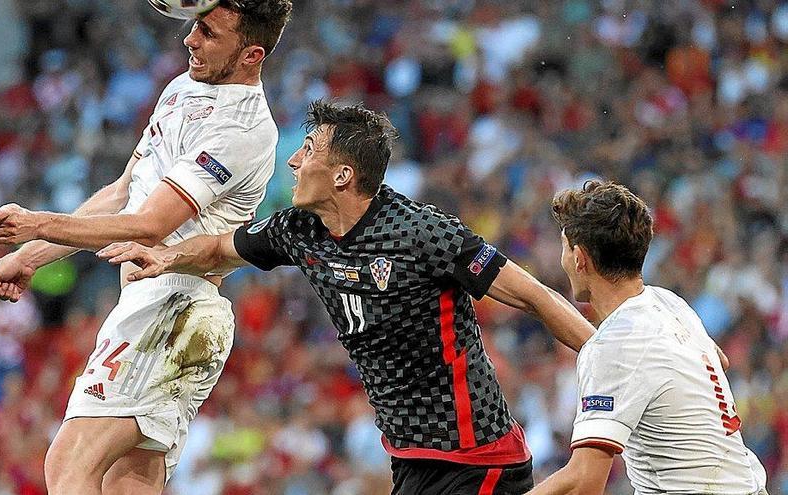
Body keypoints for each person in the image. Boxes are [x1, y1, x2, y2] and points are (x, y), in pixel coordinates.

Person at [97, 101, 596, 495]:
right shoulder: (300, 229)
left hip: (478, 458)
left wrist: (609, 358)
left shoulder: (422, 233)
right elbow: (218, 245)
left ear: (342, 175)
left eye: (308, 149)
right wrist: (165, 258)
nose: (293, 159)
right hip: (410, 459)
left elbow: (534, 296)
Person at [0, 2, 293, 494]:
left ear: (252, 54)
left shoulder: (244, 129)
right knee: (126, 483)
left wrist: (36, 221)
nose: (191, 40)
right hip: (159, 310)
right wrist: (30, 255)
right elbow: (125, 190)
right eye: (196, 25)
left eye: (209, 33)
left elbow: (149, 225)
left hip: (174, 309)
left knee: (69, 463)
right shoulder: (181, 89)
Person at [525, 180, 768, 495]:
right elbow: (718, 360)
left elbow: (585, 482)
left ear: (579, 258)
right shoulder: (670, 304)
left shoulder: (611, 346)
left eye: (564, 246)